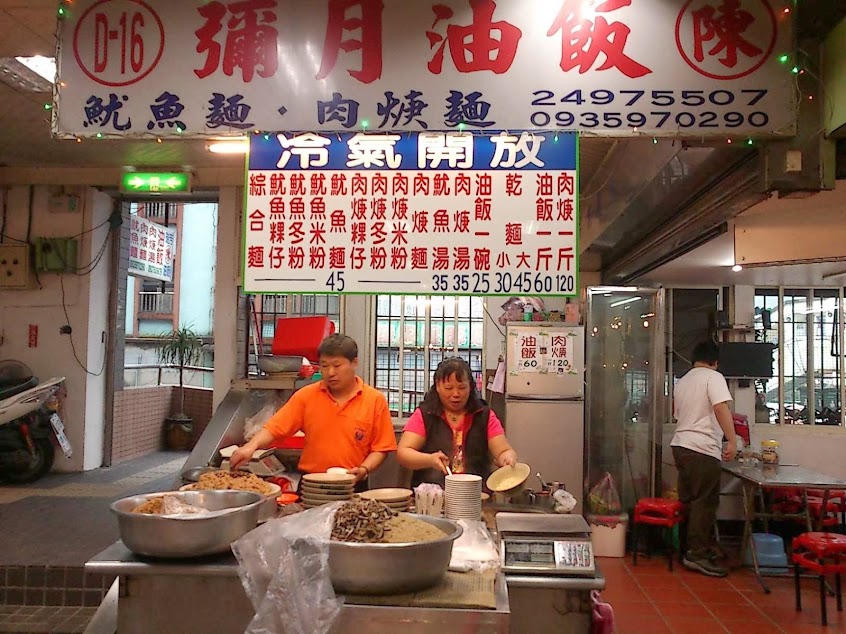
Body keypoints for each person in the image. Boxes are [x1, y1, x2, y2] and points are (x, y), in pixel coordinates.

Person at [230, 334, 397, 488]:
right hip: (311, 483)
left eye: (337, 365)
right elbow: (275, 427)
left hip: (353, 484)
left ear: (354, 363)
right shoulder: (306, 396)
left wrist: (364, 469)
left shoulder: (374, 400)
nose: (330, 372)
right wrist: (250, 447)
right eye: (324, 366)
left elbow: (381, 448)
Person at [397, 357, 517, 488]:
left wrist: (507, 458)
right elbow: (404, 453)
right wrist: (429, 460)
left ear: (470, 387)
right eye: (448, 388)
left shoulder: (484, 415)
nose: (456, 394)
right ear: (437, 386)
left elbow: (503, 451)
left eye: (462, 387)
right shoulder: (425, 414)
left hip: (476, 495)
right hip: (434, 496)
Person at [671, 340, 737, 578]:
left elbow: (680, 414)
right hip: (701, 448)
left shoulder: (684, 381)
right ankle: (696, 554)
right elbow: (721, 409)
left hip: (681, 446)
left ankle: (687, 550)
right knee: (704, 502)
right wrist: (732, 440)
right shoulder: (713, 377)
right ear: (715, 361)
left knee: (689, 500)